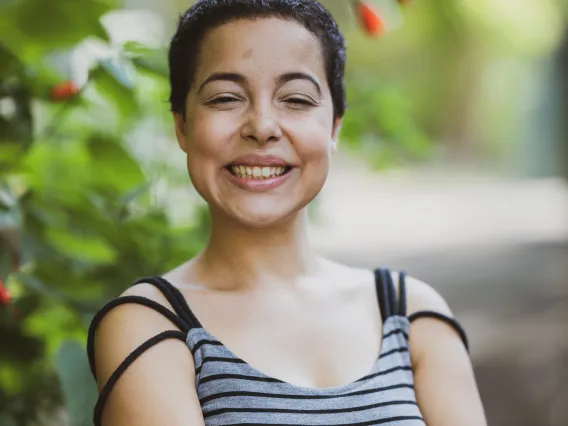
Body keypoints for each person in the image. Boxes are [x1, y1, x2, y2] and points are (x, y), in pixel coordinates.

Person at [87, 1, 487, 425]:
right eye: (225, 98)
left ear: (334, 127)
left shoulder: (413, 313)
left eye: (295, 99)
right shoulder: (147, 322)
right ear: (183, 126)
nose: (262, 126)